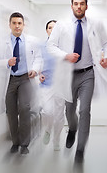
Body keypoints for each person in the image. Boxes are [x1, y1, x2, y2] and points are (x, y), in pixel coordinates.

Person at [47, 0, 107, 163]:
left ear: (86, 6)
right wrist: (65, 55)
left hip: (88, 74)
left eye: (82, 4)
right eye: (76, 4)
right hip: (68, 75)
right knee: (70, 111)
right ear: (71, 6)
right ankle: (72, 129)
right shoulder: (62, 25)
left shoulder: (95, 24)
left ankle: (80, 150)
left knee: (85, 110)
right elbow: (50, 46)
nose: (78, 6)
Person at [0, 12, 42, 155]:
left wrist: (35, 69)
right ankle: (15, 143)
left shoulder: (32, 41)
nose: (17, 26)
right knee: (11, 112)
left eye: (19, 23)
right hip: (10, 79)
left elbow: (38, 58)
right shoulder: (3, 42)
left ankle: (24, 144)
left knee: (24, 108)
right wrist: (7, 62)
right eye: (14, 23)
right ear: (10, 25)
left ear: (23, 25)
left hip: (25, 78)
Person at [39, 20, 65, 151]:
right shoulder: (41, 46)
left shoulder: (64, 47)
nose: (52, 30)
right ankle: (48, 130)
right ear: (47, 30)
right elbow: (36, 61)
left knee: (59, 115)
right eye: (50, 28)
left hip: (61, 85)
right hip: (46, 84)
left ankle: (56, 140)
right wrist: (38, 74)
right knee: (47, 111)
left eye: (55, 28)